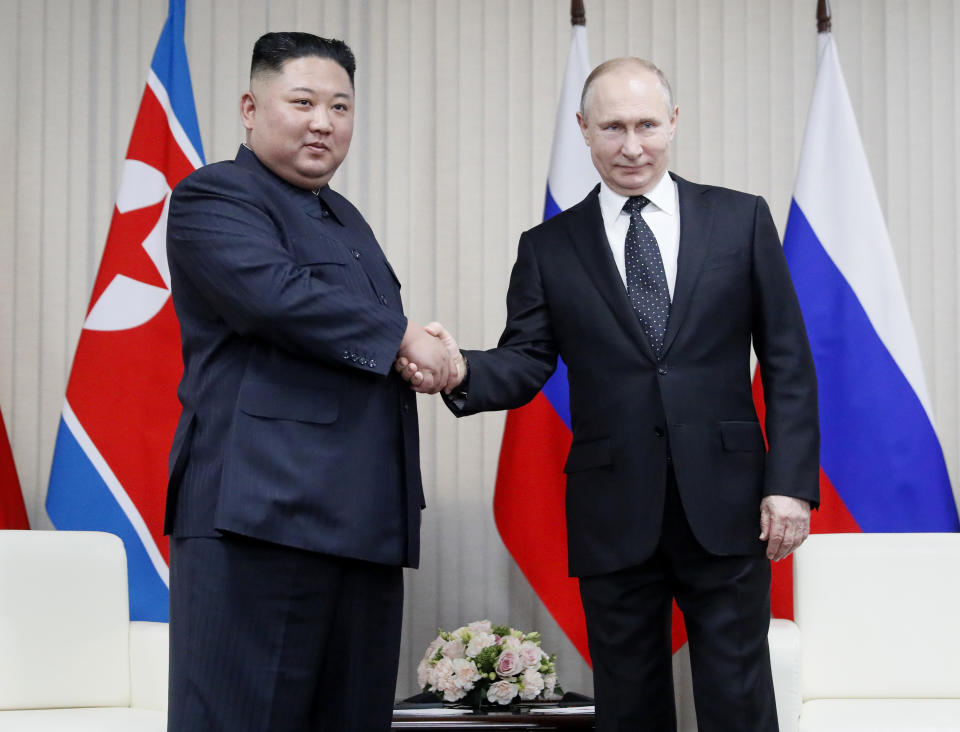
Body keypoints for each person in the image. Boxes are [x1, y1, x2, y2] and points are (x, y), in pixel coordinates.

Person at [399, 58, 820, 732]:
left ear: (673, 123)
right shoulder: (548, 247)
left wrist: (790, 484)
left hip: (731, 501)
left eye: (647, 125)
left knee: (738, 693)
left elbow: (788, 361)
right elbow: (526, 361)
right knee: (629, 701)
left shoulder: (739, 220)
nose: (632, 145)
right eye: (614, 127)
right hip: (613, 507)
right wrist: (456, 370)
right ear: (584, 131)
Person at [164, 31, 454, 731]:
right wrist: (403, 338)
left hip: (361, 523)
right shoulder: (214, 195)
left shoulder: (344, 217)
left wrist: (417, 351)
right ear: (250, 107)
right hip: (259, 520)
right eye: (302, 102)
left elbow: (349, 333)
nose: (323, 122)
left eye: (340, 107)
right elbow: (276, 295)